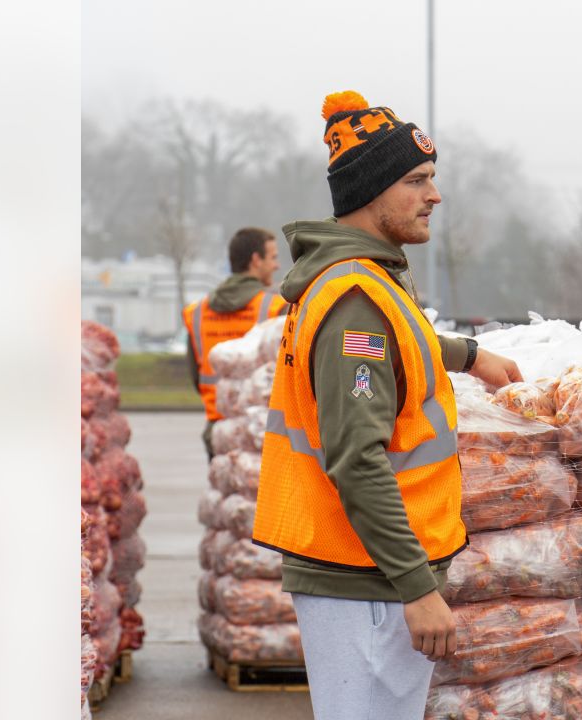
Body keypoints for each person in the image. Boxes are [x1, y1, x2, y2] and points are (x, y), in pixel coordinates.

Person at [252, 90, 523, 720]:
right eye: (417, 180)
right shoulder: (355, 300)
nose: (434, 196)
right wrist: (416, 588)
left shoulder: (366, 278)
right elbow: (356, 458)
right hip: (365, 578)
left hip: (367, 572)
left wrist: (468, 354)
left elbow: (404, 344)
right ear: (371, 193)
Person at [183, 227, 288, 460]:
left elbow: (195, 374)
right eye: (273, 257)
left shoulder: (197, 312)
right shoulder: (276, 308)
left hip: (218, 430)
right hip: (265, 431)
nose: (277, 266)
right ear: (255, 259)